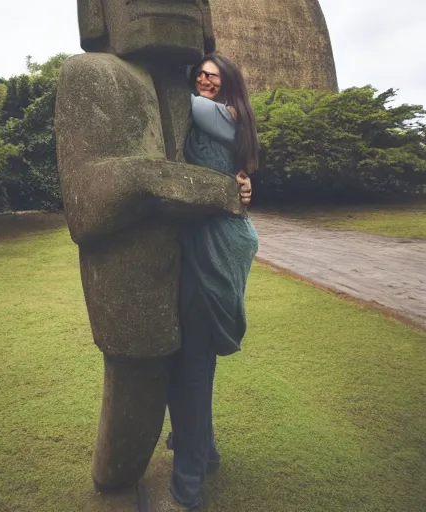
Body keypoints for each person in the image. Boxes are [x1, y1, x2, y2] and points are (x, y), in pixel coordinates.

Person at [166, 54, 259, 511]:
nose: (204, 78)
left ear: (229, 85)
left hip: (221, 244)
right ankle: (207, 452)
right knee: (192, 362)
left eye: (214, 75)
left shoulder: (225, 112)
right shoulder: (219, 119)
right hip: (210, 236)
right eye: (200, 73)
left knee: (195, 365)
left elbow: (176, 100)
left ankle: (188, 480)